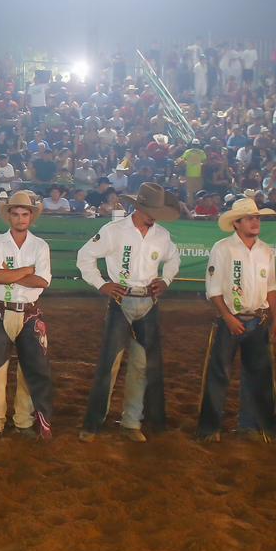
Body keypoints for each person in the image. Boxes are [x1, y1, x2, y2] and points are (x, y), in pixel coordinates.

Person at [76, 183, 181, 442]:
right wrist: (102, 284)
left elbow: (174, 258)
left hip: (147, 301)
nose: (153, 215)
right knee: (110, 365)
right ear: (138, 207)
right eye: (150, 210)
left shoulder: (161, 236)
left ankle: (131, 421)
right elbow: (84, 256)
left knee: (141, 365)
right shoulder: (114, 232)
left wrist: (166, 280)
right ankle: (95, 423)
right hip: (122, 300)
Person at [0, 191, 54, 441]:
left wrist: (13, 273)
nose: (20, 218)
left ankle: (23, 421)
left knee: (29, 371)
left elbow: (43, 281)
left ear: (31, 216)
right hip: (3, 310)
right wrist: (27, 270)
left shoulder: (40, 245)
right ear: (9, 216)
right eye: (15, 214)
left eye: (24, 214)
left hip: (28, 311)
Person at [196, 196, 276, 442]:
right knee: (219, 374)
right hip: (230, 320)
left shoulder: (265, 251)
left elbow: (271, 288)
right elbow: (213, 289)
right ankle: (210, 429)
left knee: (258, 376)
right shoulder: (223, 249)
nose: (255, 222)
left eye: (256, 218)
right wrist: (227, 317)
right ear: (237, 223)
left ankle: (250, 426)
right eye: (249, 218)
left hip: (258, 319)